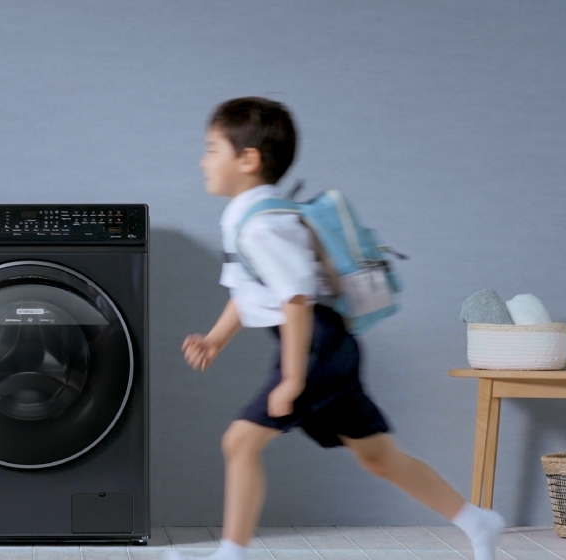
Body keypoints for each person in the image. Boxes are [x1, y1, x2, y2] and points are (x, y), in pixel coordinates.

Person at [173, 97, 504, 560]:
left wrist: (292, 379)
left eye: (212, 150)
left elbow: (296, 299)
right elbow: (250, 292)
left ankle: (233, 553)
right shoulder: (250, 216)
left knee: (240, 442)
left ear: (248, 159)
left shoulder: (263, 225)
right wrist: (215, 339)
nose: (202, 161)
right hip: (324, 346)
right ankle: (476, 520)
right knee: (377, 456)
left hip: (315, 348)